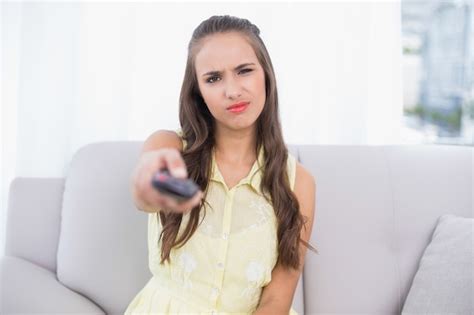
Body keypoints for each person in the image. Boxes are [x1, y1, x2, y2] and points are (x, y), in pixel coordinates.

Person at [125, 14, 317, 315]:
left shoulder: (299, 182)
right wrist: (151, 182)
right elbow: (145, 193)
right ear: (197, 91)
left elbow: (277, 299)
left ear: (265, 74)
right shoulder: (169, 146)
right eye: (213, 78)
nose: (232, 91)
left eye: (244, 71)